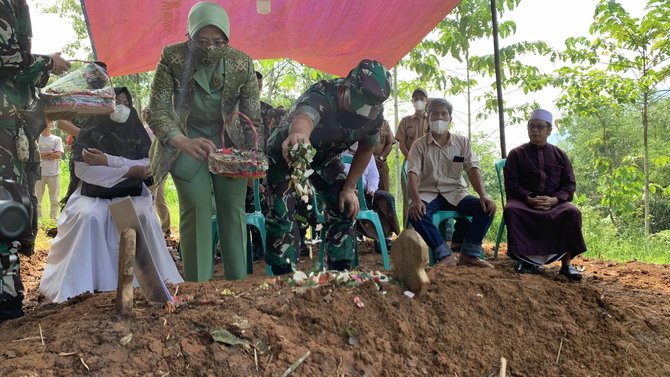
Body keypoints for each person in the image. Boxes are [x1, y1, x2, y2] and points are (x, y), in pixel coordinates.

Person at [148, 2, 261, 282]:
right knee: (196, 207)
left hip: (229, 146)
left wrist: (253, 157)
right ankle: (197, 289)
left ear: (228, 39)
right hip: (184, 143)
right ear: (189, 35)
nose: (211, 48)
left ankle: (238, 288)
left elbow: (251, 117)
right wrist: (183, 141)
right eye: (202, 41)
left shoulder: (242, 63)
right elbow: (158, 110)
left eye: (218, 41)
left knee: (232, 212)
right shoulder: (172, 58)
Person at [39, 87, 183, 303]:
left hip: (132, 194)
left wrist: (111, 162)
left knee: (141, 214)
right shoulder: (90, 132)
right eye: (116, 102)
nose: (121, 107)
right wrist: (128, 171)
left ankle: (145, 282)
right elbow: (86, 171)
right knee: (91, 217)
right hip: (93, 195)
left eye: (126, 102)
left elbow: (147, 166)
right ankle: (86, 282)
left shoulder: (137, 132)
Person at [265, 58, 392, 275]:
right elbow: (305, 118)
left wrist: (350, 187)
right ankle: (284, 278)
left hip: (325, 160)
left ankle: (340, 275)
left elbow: (366, 148)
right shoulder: (322, 95)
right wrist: (299, 136)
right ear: (347, 88)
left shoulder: (374, 113)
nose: (363, 112)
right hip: (288, 153)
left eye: (370, 108)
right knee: (282, 214)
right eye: (360, 104)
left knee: (346, 207)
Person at [0, 0, 70, 321]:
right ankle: (6, 297)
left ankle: (8, 293)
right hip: (5, 128)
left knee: (15, 208)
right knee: (6, 209)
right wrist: (49, 64)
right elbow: (7, 60)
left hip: (16, 126)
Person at [407, 98, 496, 268]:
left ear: (450, 119)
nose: (439, 118)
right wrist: (416, 200)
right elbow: (412, 174)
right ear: (428, 117)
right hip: (428, 192)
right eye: (435, 114)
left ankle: (469, 255)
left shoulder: (462, 143)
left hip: (456, 192)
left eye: (443, 114)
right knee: (417, 214)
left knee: (487, 209)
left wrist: (483, 195)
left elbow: (472, 169)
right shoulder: (419, 145)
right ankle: (444, 256)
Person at [503, 109, 587, 281]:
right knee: (512, 210)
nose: (534, 130)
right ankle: (525, 261)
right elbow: (512, 185)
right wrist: (529, 198)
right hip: (525, 202)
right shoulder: (516, 154)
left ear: (549, 130)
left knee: (572, 212)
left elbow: (569, 185)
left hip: (555, 203)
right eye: (531, 126)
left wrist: (555, 199)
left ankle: (566, 265)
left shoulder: (560, 155)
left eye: (539, 127)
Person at [343, 144, 400, 251]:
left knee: (385, 198)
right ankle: (354, 236)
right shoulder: (339, 155)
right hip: (345, 193)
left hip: (365, 192)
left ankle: (385, 237)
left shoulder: (368, 155)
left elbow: (374, 175)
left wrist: (371, 189)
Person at [396, 88, 429, 225]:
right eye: (416, 99)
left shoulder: (432, 119)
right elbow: (401, 143)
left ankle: (428, 230)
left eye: (422, 98)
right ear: (412, 101)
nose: (419, 101)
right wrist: (411, 159)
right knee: (409, 196)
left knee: (428, 194)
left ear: (427, 101)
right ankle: (408, 230)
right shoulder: (405, 121)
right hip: (409, 164)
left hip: (429, 164)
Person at [141, 108, 171, 237]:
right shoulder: (161, 129)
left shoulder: (146, 129)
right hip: (162, 167)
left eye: (145, 113)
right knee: (159, 199)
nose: (143, 115)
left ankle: (152, 230)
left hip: (152, 168)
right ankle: (165, 228)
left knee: (151, 198)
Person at [36, 119, 64, 221]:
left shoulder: (57, 139)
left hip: (54, 173)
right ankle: (38, 219)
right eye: (44, 122)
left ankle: (53, 218)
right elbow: (34, 155)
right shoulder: (36, 139)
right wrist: (49, 152)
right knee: (37, 198)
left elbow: (57, 155)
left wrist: (41, 155)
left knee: (54, 199)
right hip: (39, 173)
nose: (46, 125)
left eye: (48, 122)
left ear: (51, 124)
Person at [374, 119, 395, 192]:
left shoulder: (385, 123)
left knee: (384, 194)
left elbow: (389, 144)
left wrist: (381, 157)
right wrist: (371, 159)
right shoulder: (361, 120)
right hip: (363, 165)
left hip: (380, 165)